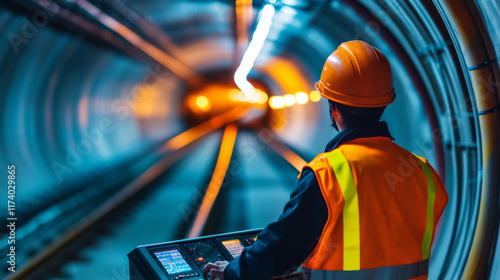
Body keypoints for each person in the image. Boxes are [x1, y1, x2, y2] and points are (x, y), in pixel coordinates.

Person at [203, 40, 448, 280]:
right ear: (383, 104)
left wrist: (233, 270)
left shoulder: (328, 172)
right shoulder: (422, 171)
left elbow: (284, 245)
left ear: (333, 107)